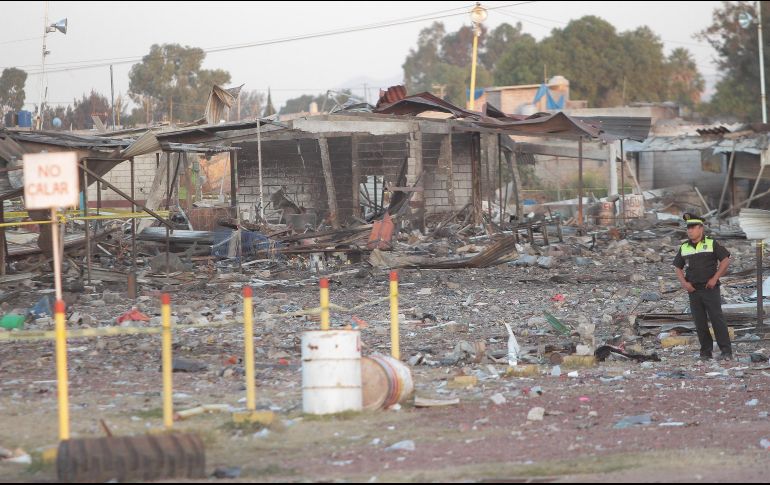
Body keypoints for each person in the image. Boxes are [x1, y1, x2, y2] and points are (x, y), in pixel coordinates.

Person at [673, 213, 733, 361]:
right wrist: (684, 284)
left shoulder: (711, 243)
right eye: (688, 228)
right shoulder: (685, 247)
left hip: (710, 288)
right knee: (699, 322)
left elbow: (725, 261)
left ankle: (726, 351)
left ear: (701, 228)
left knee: (717, 319)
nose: (690, 231)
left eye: (693, 227)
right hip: (694, 290)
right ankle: (706, 352)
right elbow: (677, 267)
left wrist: (715, 278)